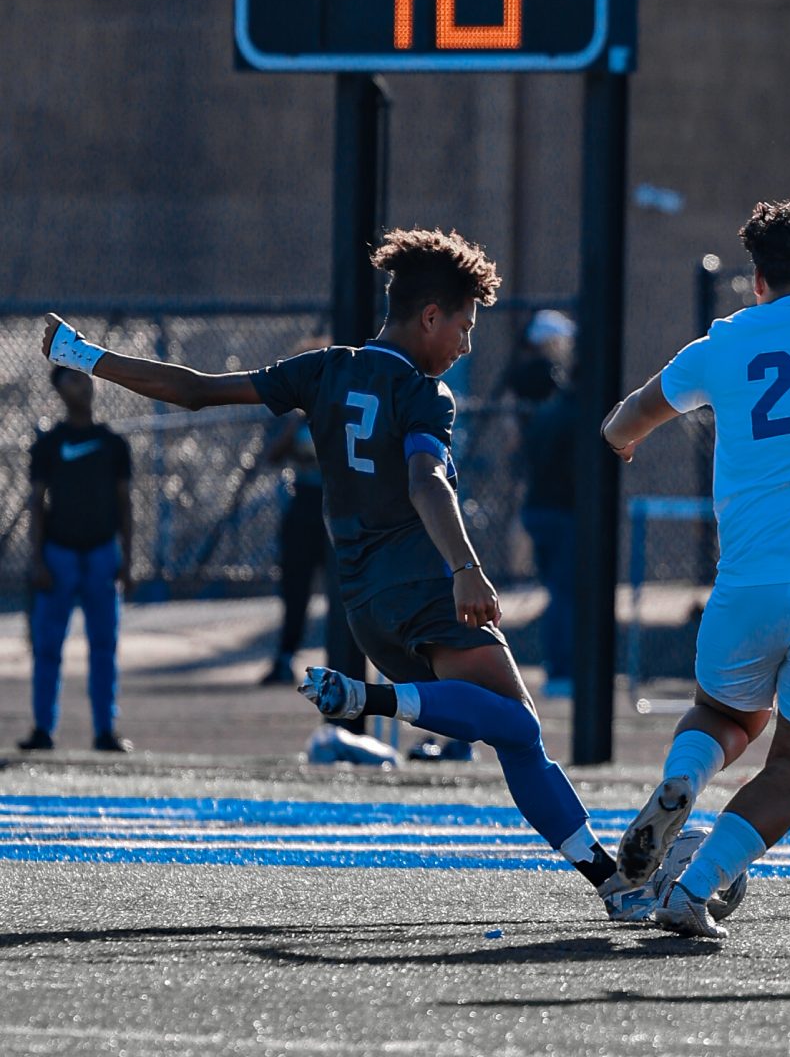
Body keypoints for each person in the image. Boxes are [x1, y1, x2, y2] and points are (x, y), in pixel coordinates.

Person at [42, 228, 669, 922]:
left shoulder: (323, 370)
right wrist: (466, 567)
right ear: (430, 317)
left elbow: (192, 392)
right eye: (463, 326)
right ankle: (373, 705)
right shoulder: (426, 395)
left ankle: (612, 882)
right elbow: (428, 480)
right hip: (426, 587)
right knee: (517, 731)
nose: (465, 345)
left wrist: (84, 354)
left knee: (514, 730)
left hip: (365, 606)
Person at [602, 195, 790, 939]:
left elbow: (622, 422)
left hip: (745, 584)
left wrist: (625, 442)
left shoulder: (720, 344)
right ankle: (696, 891)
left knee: (724, 715)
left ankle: (684, 780)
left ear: (757, 279)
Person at [19, 366, 134, 753]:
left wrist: (127, 560)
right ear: (58, 390)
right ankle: (42, 730)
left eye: (85, 377)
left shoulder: (113, 444)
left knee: (104, 646)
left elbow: (125, 504)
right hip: (59, 557)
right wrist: (37, 560)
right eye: (71, 379)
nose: (82, 384)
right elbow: (36, 504)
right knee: (48, 647)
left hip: (102, 554)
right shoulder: (48, 445)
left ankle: (105, 730)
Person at [515, 312, 578, 697]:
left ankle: (558, 666)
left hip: (538, 507)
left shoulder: (541, 416)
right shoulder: (570, 415)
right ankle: (561, 669)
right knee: (565, 594)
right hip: (562, 511)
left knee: (557, 592)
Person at [258, 411, 326, 685]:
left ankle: (346, 660)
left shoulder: (343, 409)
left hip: (339, 504)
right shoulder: (298, 421)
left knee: (347, 590)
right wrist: (290, 431)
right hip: (305, 504)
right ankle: (286, 657)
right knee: (295, 588)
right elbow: (271, 457)